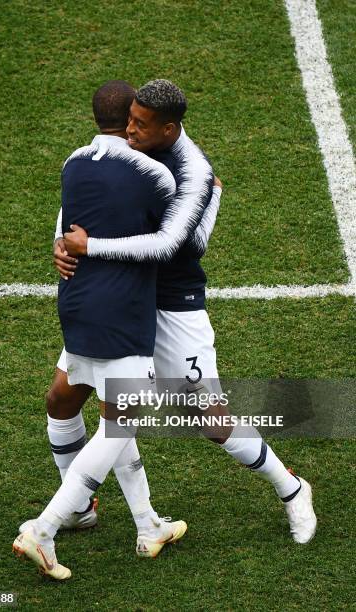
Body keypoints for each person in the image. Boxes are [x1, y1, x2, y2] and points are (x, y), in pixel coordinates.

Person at [53, 80, 317, 546]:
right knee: (65, 399)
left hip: (172, 303)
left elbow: (181, 245)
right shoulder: (131, 148)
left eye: (139, 124)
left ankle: (292, 488)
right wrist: (62, 245)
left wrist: (208, 201)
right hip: (122, 297)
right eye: (129, 118)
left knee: (208, 418)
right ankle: (80, 508)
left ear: (169, 129)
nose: (128, 131)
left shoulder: (192, 172)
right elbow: (83, 204)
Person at [13, 80, 188, 580]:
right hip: (123, 311)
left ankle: (147, 524)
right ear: (132, 117)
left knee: (82, 402)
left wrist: (64, 247)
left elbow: (64, 232)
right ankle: (43, 530)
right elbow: (171, 243)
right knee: (122, 422)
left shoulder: (73, 162)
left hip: (77, 304)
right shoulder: (155, 175)